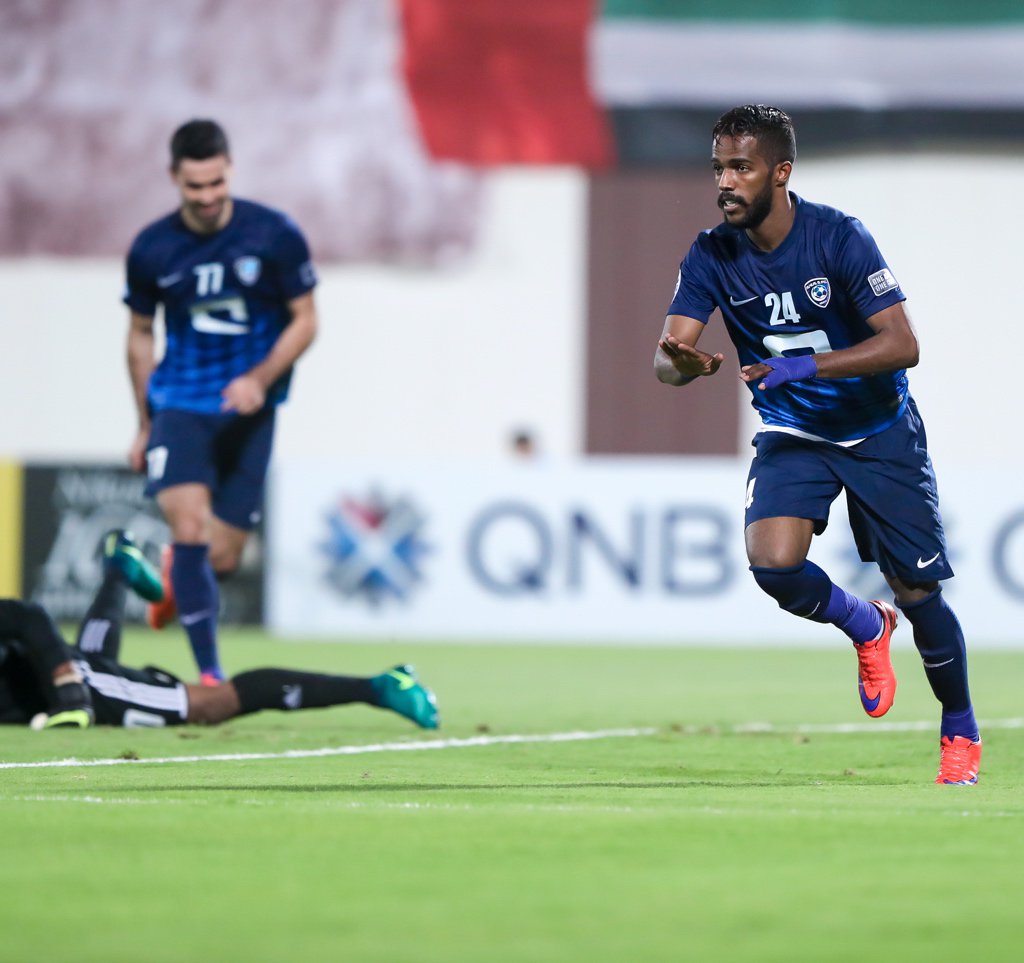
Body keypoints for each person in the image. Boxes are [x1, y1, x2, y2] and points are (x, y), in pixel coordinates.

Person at [654, 104, 980, 785]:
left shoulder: (838, 238)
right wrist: (682, 363)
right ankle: (865, 624)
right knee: (773, 564)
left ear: (781, 171)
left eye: (740, 166)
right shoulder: (710, 252)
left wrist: (807, 365)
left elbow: (903, 344)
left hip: (878, 429)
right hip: (793, 430)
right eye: (719, 166)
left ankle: (959, 730)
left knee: (919, 590)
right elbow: (668, 358)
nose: (726, 181)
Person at [123, 119, 319, 686]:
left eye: (215, 184)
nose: (207, 198)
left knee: (224, 557)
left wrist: (260, 378)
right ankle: (210, 675)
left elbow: (306, 321)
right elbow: (140, 334)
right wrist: (144, 422)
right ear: (174, 179)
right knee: (189, 527)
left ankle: (171, 581)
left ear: (229, 169)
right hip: (181, 404)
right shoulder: (152, 248)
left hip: (251, 412)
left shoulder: (274, 235)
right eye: (194, 187)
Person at [0, 531, 439, 731]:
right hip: (43, 688)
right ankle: (120, 568)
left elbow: (27, 617)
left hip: (57, 687)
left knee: (211, 704)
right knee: (94, 659)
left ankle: (381, 687)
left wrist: (68, 690)